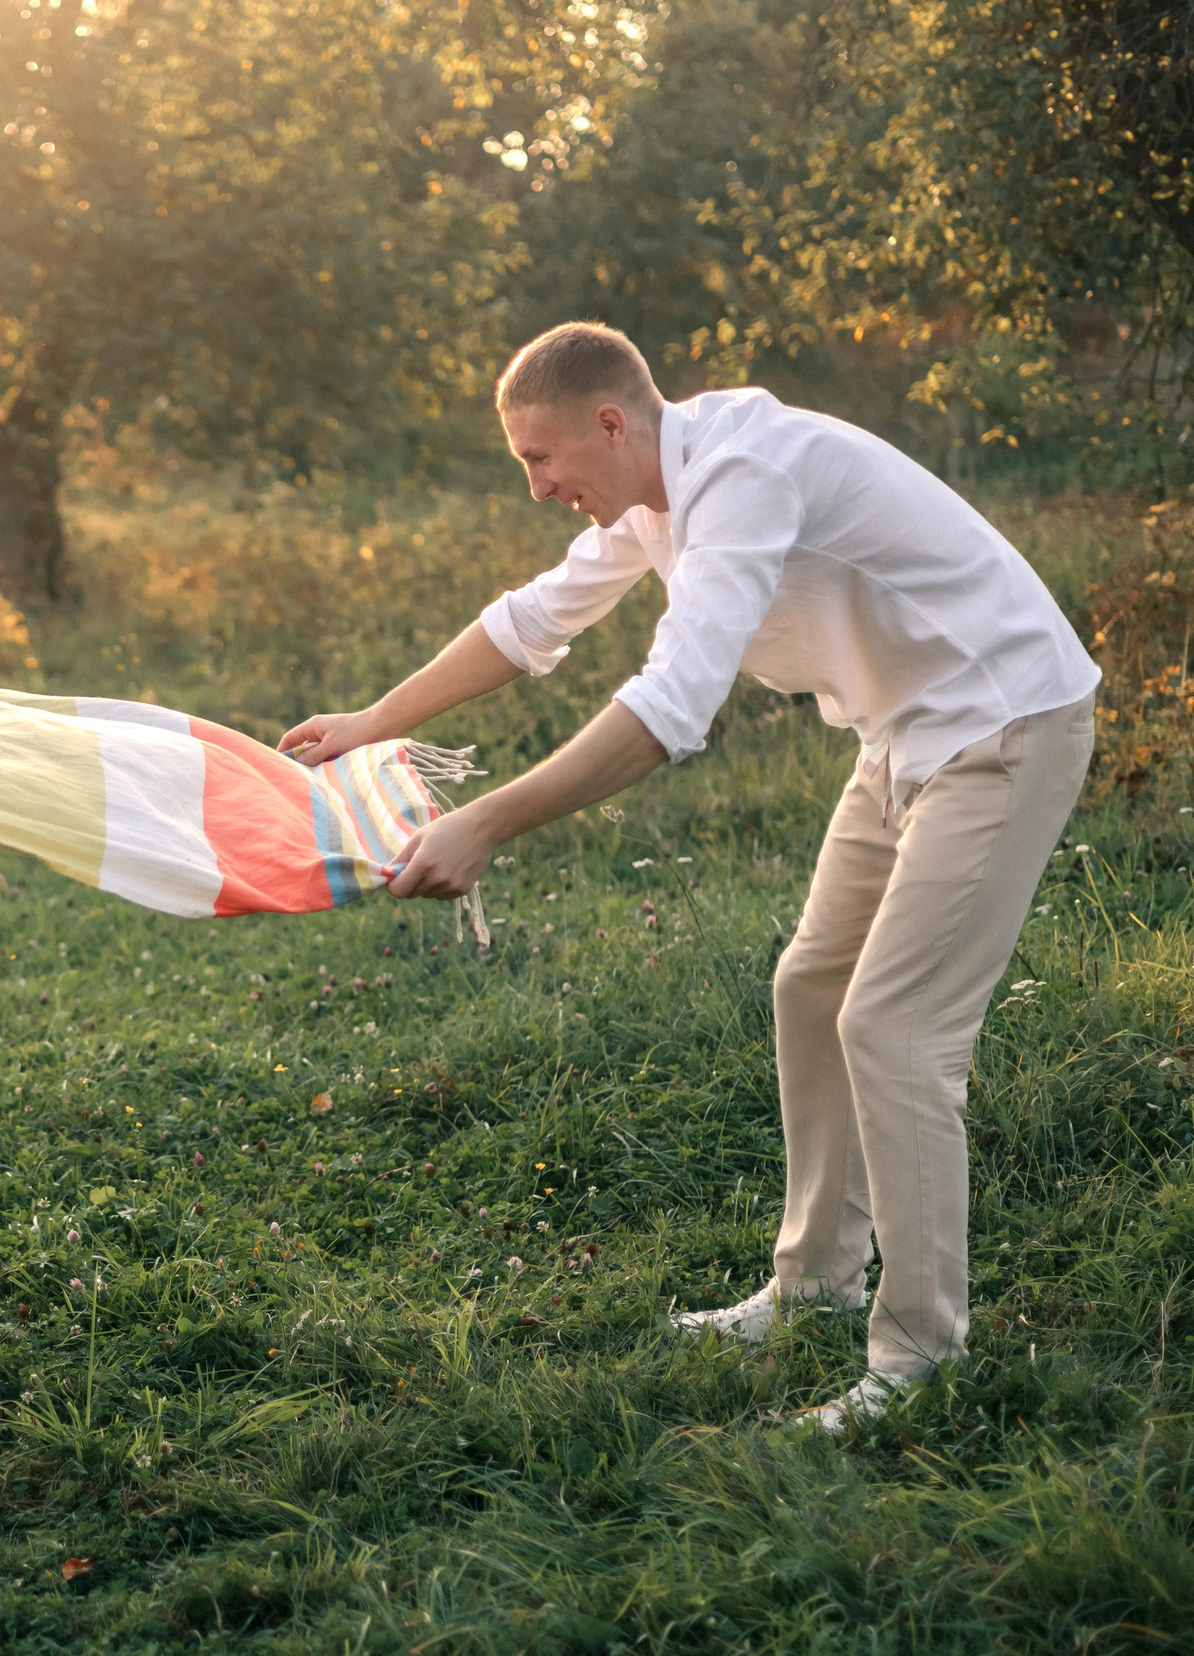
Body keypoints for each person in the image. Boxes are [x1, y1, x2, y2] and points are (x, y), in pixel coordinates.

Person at [280, 323, 1098, 1430]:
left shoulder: (740, 476)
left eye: (541, 457)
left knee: (896, 1029)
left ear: (610, 424)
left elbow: (670, 708)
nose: (537, 486)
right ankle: (814, 1285)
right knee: (811, 987)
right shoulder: (649, 493)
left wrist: (487, 822)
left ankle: (919, 1360)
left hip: (1004, 721)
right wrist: (373, 721)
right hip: (904, 733)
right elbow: (533, 619)